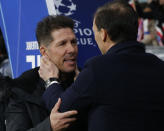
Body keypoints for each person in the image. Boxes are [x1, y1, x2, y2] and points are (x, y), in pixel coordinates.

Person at [40, 0, 164, 131]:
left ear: (104, 34)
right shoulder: (160, 67)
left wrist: (51, 81)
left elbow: (61, 111)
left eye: (94, 32)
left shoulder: (97, 69)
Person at [5, 15, 84, 131]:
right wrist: (49, 126)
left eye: (73, 42)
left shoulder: (86, 79)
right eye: (62, 44)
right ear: (44, 51)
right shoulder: (22, 87)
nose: (72, 49)